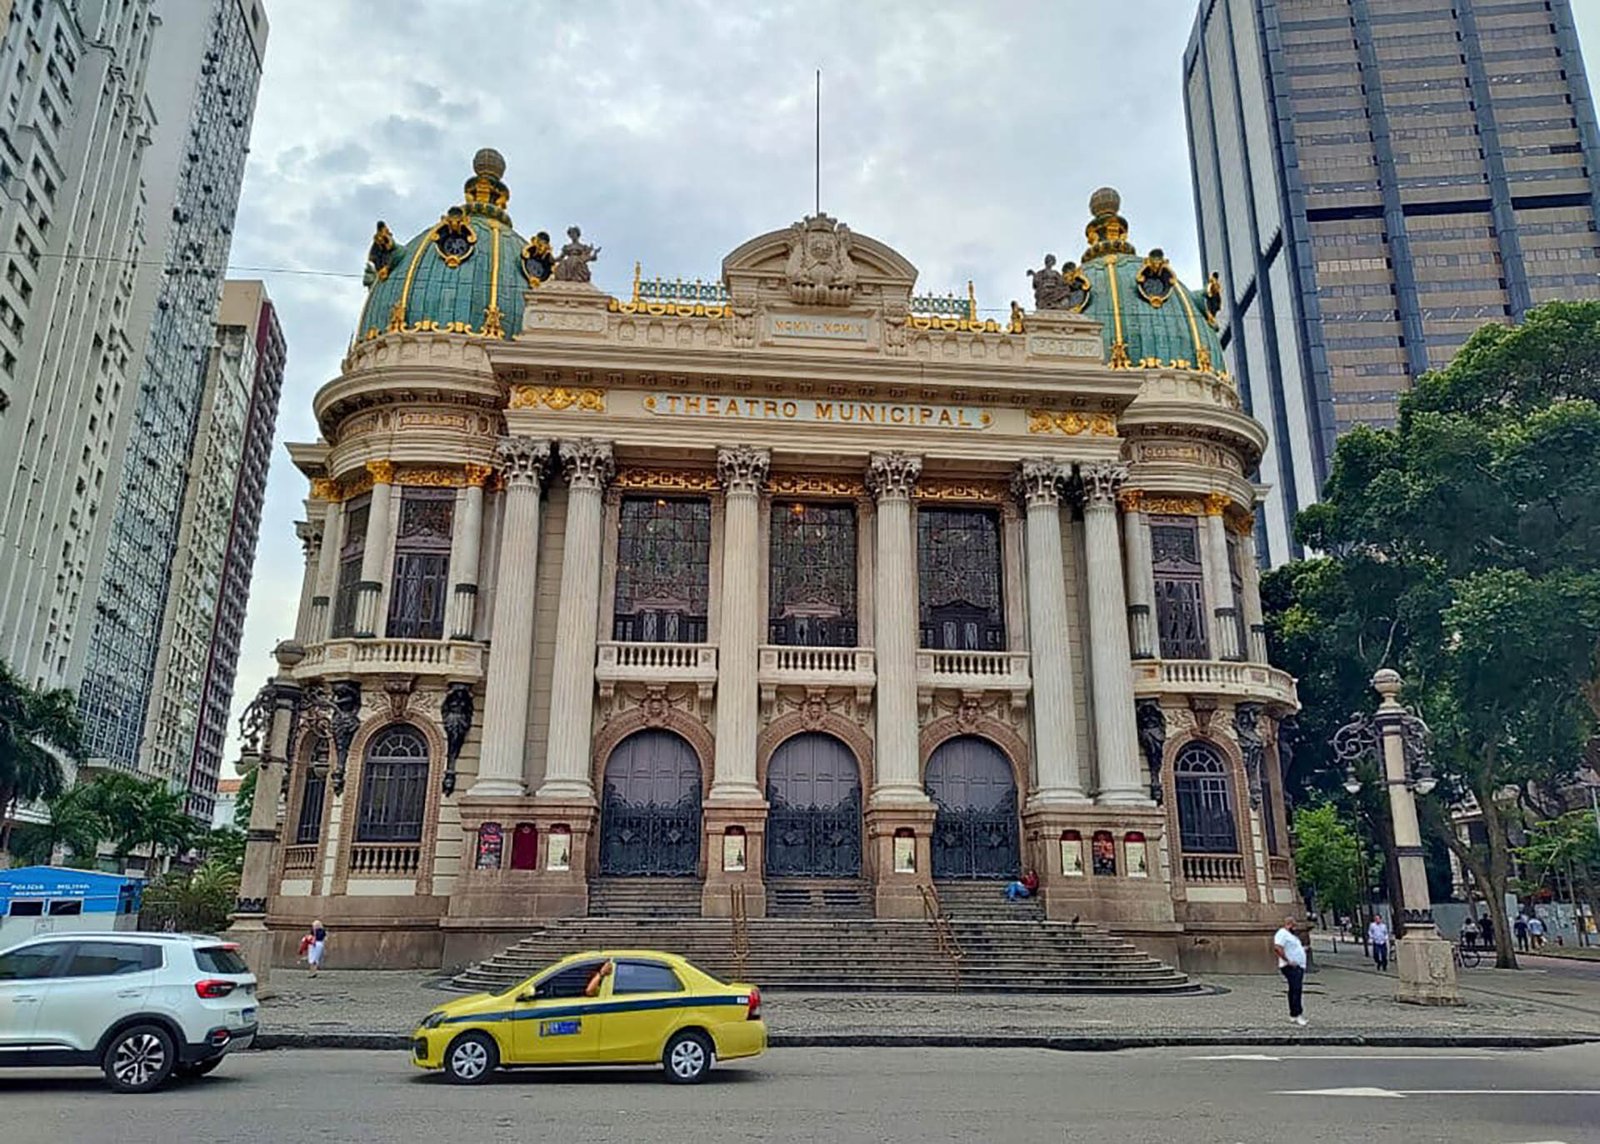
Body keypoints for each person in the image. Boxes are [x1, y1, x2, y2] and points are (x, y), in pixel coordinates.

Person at [1273, 917, 1308, 1027]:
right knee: (1296, 989)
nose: (1295, 928)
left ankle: (1293, 1014)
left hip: (1298, 965)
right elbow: (1277, 948)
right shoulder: (1282, 933)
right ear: (1289, 924)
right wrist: (1288, 960)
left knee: (1294, 989)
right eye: (1294, 926)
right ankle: (1297, 1014)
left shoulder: (1291, 936)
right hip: (1291, 966)